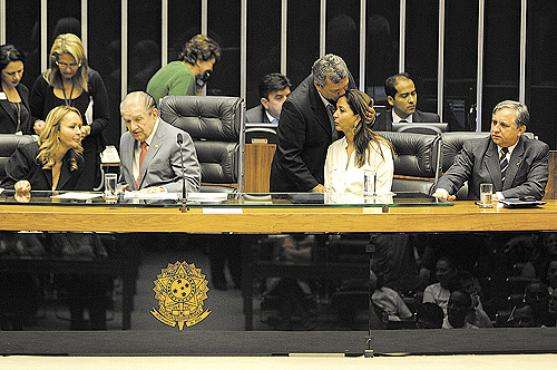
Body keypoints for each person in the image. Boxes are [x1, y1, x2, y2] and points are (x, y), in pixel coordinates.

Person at [1, 105, 110, 330]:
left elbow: (80, 200)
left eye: (80, 126)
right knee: (20, 256)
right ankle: (17, 325)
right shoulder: (29, 153)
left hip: (62, 227)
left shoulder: (77, 160)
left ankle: (85, 323)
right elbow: (5, 188)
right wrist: (18, 187)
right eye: (73, 127)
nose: (80, 131)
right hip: (27, 227)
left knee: (92, 253)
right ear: (55, 130)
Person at [29, 33, 110, 190]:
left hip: (84, 150)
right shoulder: (45, 81)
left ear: (81, 62)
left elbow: (104, 118)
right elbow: (32, 116)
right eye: (63, 64)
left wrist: (87, 129)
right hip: (52, 152)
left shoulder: (92, 79)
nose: (68, 69)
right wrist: (37, 124)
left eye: (73, 64)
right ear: (55, 62)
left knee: (81, 200)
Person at [270, 54, 356, 192]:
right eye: (336, 91)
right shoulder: (296, 106)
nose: (343, 93)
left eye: (345, 87)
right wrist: (314, 186)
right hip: (296, 185)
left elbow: (356, 115)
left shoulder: (342, 80)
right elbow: (288, 156)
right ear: (318, 85)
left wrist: (368, 117)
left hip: (331, 176)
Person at [433, 100, 549, 201]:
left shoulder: (536, 150)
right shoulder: (474, 148)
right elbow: (454, 174)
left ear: (520, 130)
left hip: (517, 216)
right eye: (494, 122)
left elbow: (535, 188)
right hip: (479, 215)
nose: (495, 129)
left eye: (503, 125)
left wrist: (500, 196)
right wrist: (443, 190)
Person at [118, 91, 200, 193]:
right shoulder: (126, 140)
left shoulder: (176, 139)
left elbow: (190, 183)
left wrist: (161, 190)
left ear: (154, 114)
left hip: (163, 207)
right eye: (128, 121)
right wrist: (120, 189)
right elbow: (124, 182)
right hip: (131, 207)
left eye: (138, 119)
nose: (133, 127)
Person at [324, 89, 394, 196]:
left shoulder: (380, 149)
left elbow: (381, 195)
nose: (335, 114)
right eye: (336, 109)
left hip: (366, 211)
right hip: (335, 211)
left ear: (357, 118)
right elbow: (328, 193)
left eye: (341, 110)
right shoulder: (333, 149)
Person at [147, 34, 221, 102]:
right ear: (199, 61)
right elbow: (179, 112)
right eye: (211, 63)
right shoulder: (186, 75)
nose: (211, 69)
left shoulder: (174, 65)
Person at [375, 72, 440, 131]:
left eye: (413, 94)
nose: (411, 100)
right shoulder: (378, 122)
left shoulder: (430, 121)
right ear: (391, 100)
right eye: (404, 96)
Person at [0, 44, 32, 135]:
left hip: (22, 146)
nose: (17, 77)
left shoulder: (23, 90)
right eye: (10, 73)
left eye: (20, 71)